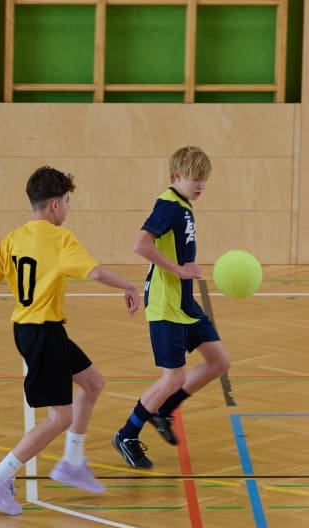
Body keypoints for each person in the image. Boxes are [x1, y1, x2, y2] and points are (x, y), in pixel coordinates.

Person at [0, 166, 140, 516]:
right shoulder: (61, 239)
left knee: (92, 383)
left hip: (35, 331)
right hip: (43, 333)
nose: (69, 209)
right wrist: (129, 285)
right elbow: (96, 272)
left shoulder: (13, 239)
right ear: (55, 205)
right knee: (59, 418)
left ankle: (72, 462)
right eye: (68, 202)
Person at [112, 145, 231, 469]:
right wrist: (178, 270)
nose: (201, 185)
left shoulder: (184, 205)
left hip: (184, 302)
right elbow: (140, 245)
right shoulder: (169, 205)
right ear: (177, 176)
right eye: (195, 178)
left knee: (218, 362)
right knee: (172, 379)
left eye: (204, 179)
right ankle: (126, 435)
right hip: (166, 304)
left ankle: (163, 409)